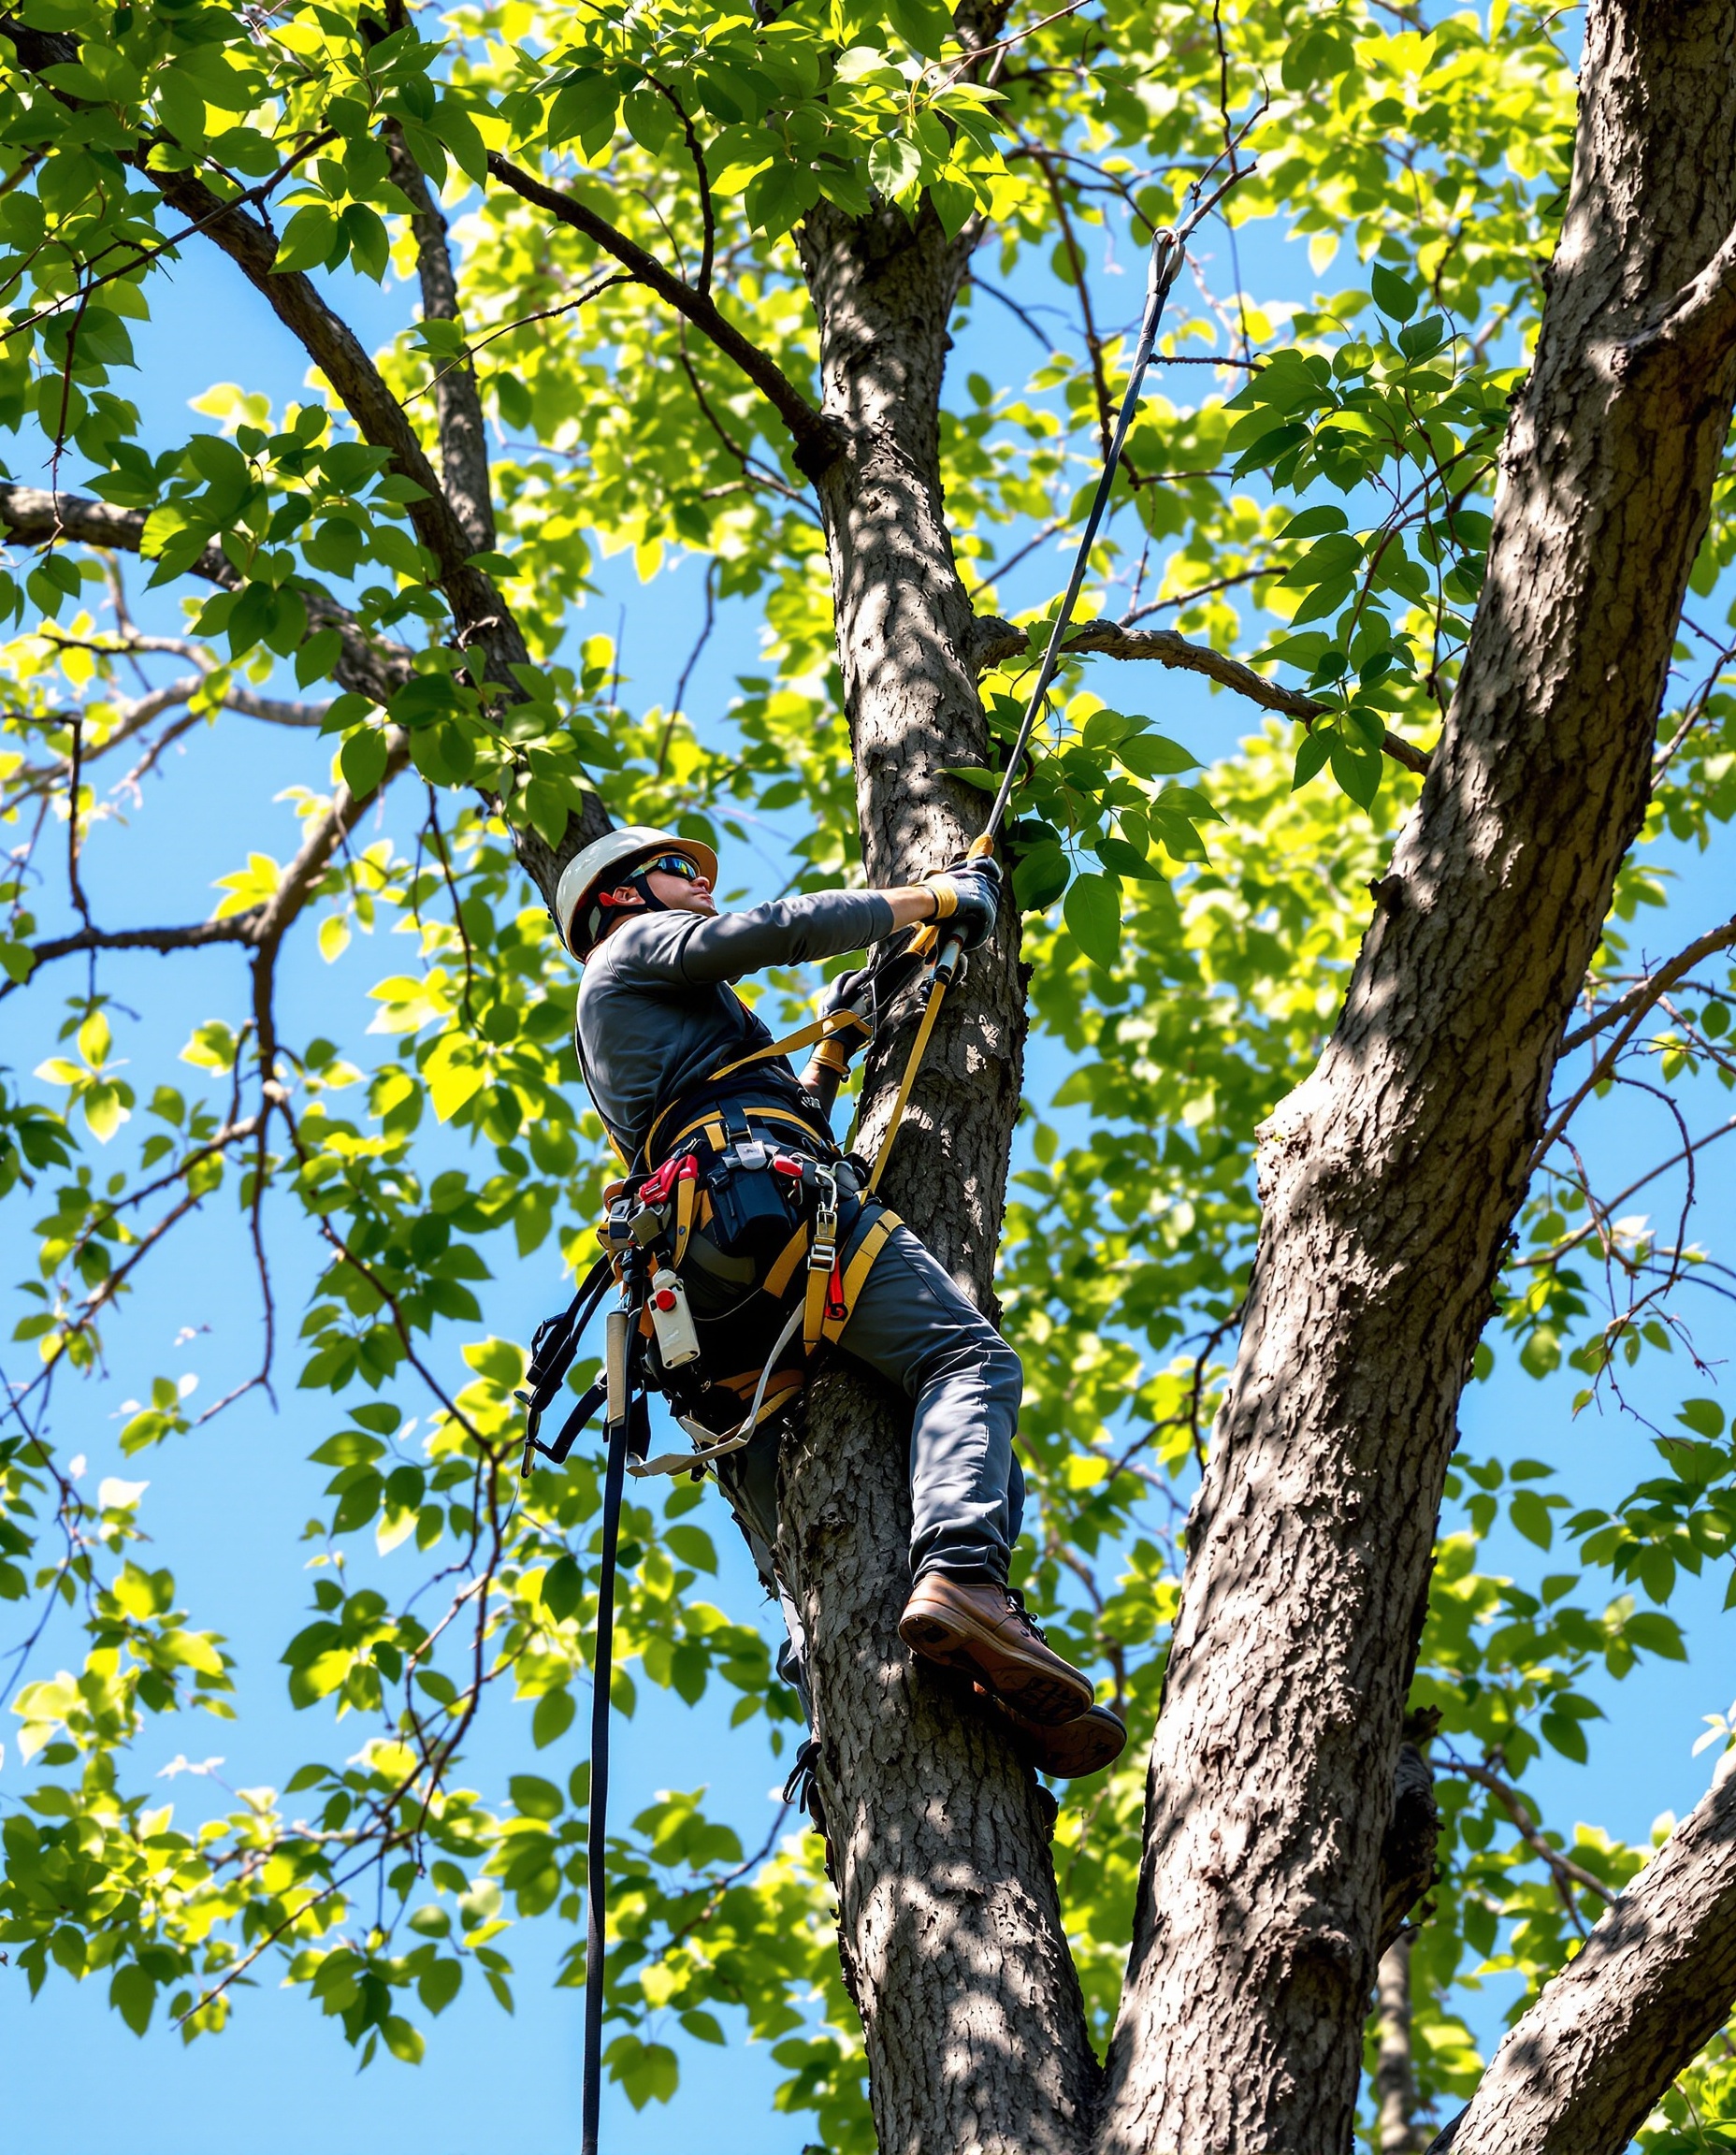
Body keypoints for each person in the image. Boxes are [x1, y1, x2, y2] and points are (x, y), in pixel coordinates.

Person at [556, 825, 1127, 1787]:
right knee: (965, 1363)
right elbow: (775, 928)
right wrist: (935, 899)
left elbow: (739, 1109)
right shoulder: (628, 951)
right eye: (677, 874)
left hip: (711, 1317)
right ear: (618, 897)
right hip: (763, 1216)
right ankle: (965, 1576)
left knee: (801, 1565)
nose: (700, 887)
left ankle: (854, 1718)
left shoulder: (643, 1041)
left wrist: (829, 1054)